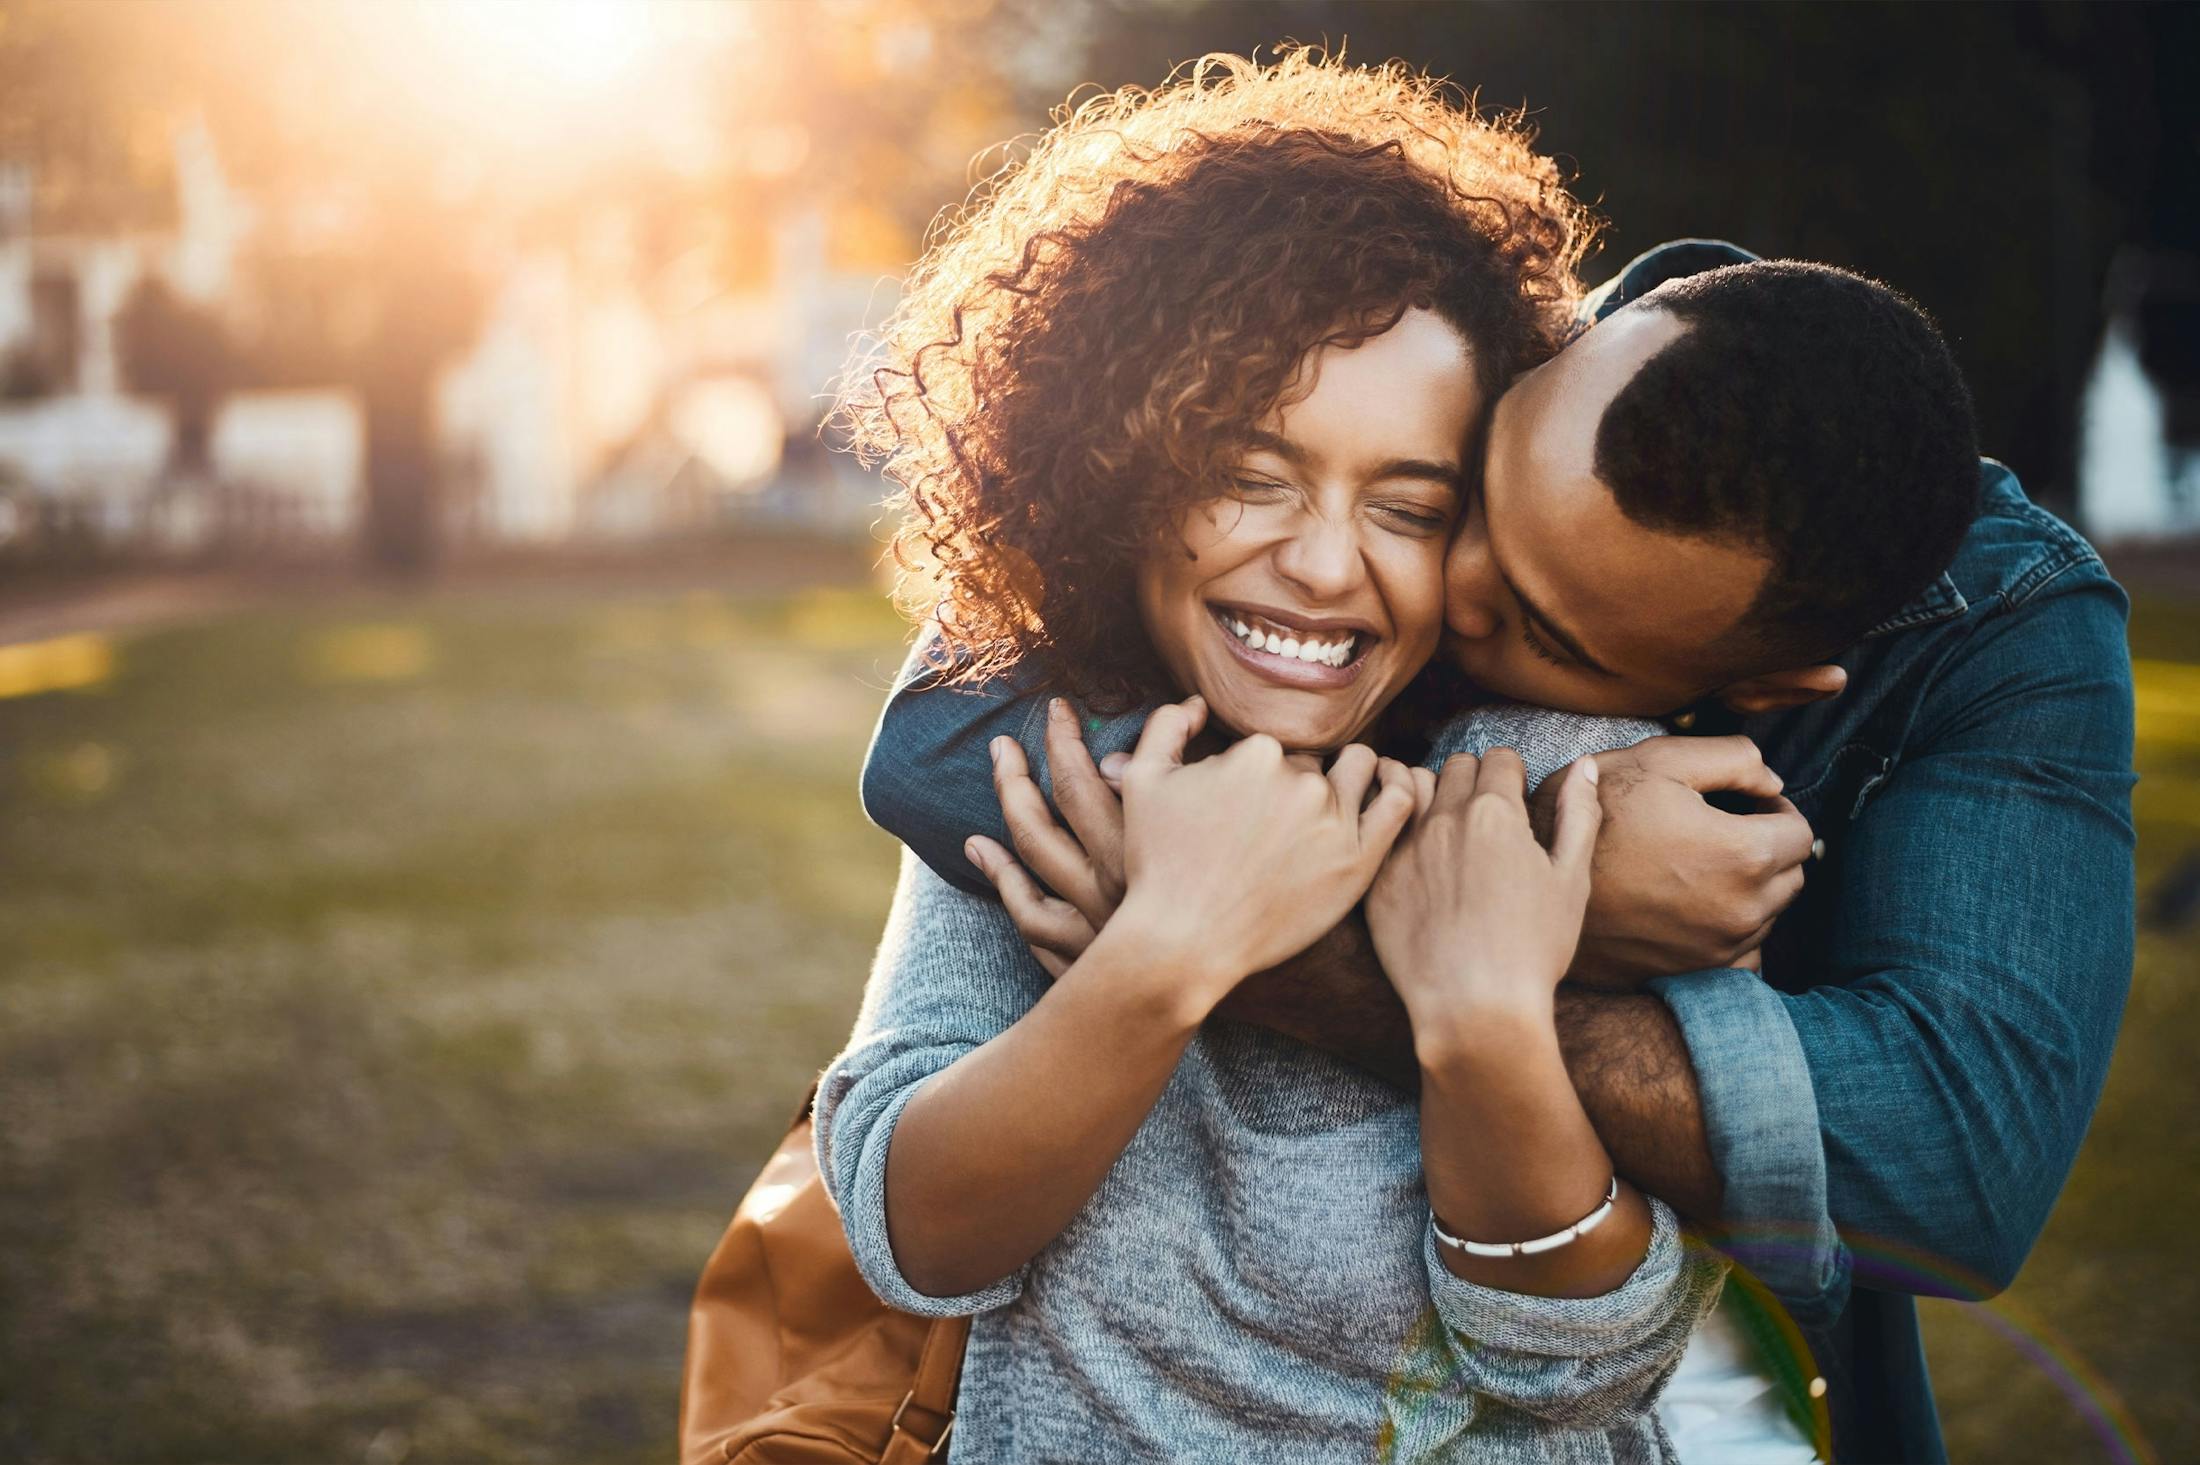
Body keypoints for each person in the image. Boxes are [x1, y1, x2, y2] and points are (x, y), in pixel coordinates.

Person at [869, 240, 2138, 1463]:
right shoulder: (1452, 359)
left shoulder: (1982, 632)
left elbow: (1945, 1167)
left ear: (1757, 689)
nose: (1444, 585)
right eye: (1470, 494)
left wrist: (1471, 958)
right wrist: (1525, 881)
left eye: (1542, 623)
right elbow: (938, 739)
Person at [815, 50, 1732, 1463]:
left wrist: (1477, 1013)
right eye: (1249, 476)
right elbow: (916, 1237)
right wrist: (1173, 945)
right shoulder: (1047, 742)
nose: (1319, 567)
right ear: (1120, 466)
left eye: (1407, 507)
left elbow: (1583, 1370)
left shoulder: (1561, 775)